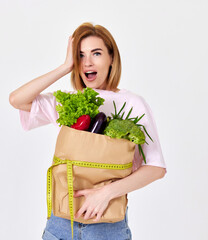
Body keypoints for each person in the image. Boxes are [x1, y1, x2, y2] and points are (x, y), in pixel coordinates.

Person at [9, 22, 166, 240]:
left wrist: (106, 193)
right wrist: (65, 66)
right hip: (60, 225)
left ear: (112, 58)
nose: (87, 62)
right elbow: (17, 99)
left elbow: (156, 168)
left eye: (96, 53)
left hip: (107, 227)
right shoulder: (70, 102)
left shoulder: (132, 104)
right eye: (81, 55)